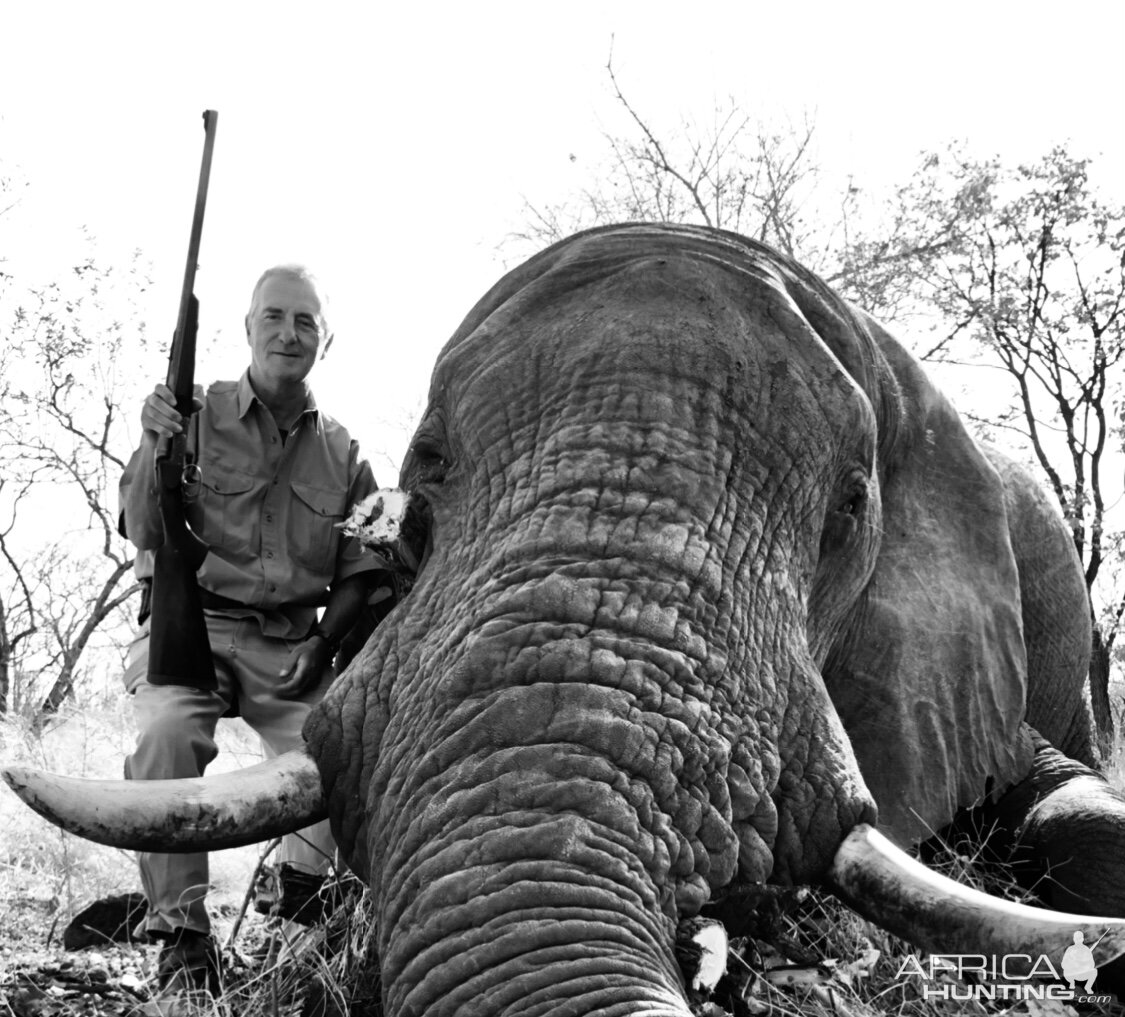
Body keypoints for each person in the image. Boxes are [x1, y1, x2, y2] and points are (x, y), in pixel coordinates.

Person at [119, 264, 387, 1001]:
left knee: (338, 749)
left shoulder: (348, 451)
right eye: (273, 316)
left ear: (325, 342)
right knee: (165, 736)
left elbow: (368, 564)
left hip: (290, 643)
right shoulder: (190, 415)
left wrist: (324, 644)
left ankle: (298, 916)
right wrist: (152, 445)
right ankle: (180, 939)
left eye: (305, 322)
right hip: (191, 627)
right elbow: (140, 526)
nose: (288, 333)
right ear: (246, 329)